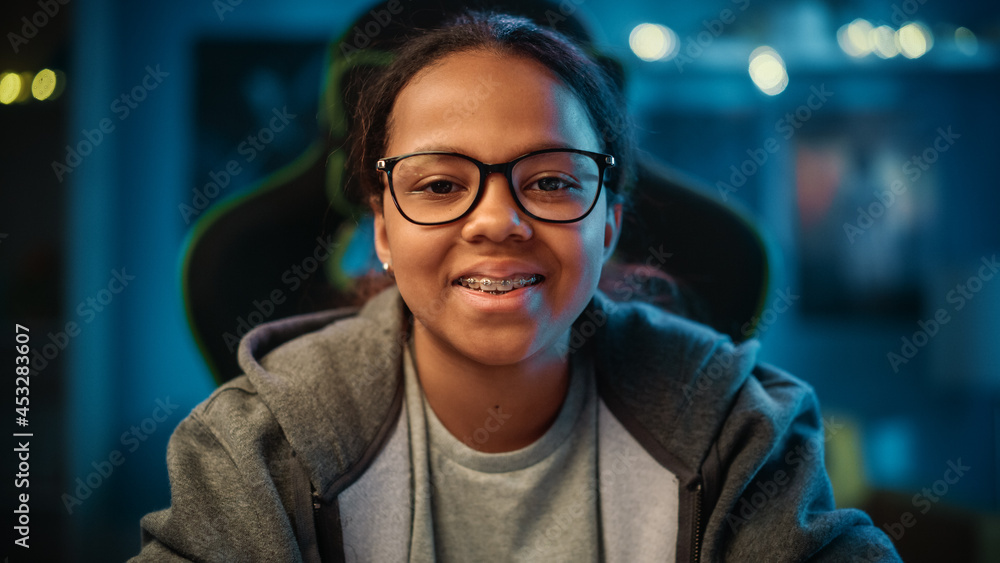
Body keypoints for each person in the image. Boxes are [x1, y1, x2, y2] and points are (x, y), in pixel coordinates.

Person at [133, 10, 901, 562]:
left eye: (551, 180)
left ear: (607, 224)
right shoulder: (258, 444)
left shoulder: (737, 433)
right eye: (439, 184)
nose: (497, 220)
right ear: (384, 231)